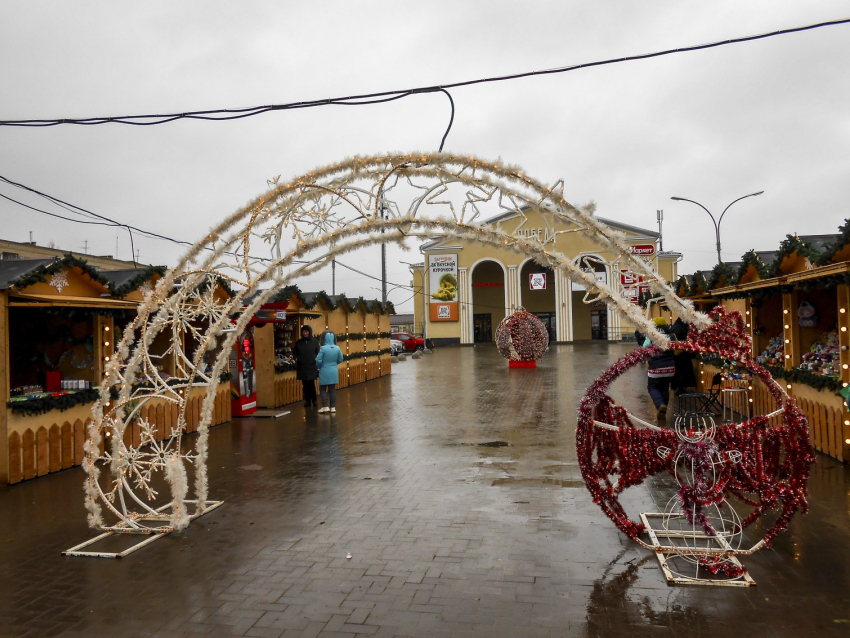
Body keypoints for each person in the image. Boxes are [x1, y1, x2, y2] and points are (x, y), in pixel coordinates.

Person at [644, 317, 675, 418]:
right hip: (670, 368)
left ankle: (660, 405)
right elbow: (678, 350)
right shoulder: (672, 335)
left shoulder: (651, 336)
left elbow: (644, 349)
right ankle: (663, 411)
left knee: (652, 387)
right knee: (665, 388)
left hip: (655, 367)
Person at [316, 331, 344, 414]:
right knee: (332, 389)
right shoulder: (337, 348)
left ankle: (325, 406)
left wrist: (319, 366)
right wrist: (334, 364)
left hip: (324, 370)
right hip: (334, 370)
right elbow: (340, 359)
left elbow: (318, 360)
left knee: (323, 389)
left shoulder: (323, 348)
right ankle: (333, 407)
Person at [293, 325, 319, 407]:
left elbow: (318, 352)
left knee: (311, 383)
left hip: (312, 366)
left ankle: (314, 400)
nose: (305, 333)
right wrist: (297, 359)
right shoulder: (299, 342)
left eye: (306, 332)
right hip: (302, 366)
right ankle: (307, 400)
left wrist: (315, 359)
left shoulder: (314, 342)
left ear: (309, 332)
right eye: (304, 332)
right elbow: (294, 352)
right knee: (305, 384)